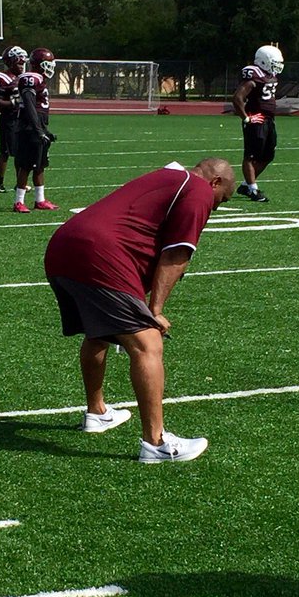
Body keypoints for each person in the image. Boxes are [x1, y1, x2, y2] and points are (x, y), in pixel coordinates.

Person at [44, 157, 236, 462]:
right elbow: (177, 254)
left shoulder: (168, 176)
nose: (216, 207)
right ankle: (156, 442)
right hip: (100, 253)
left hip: (63, 245)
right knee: (148, 343)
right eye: (221, 200)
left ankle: (97, 412)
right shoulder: (199, 189)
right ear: (216, 182)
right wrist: (155, 310)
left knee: (99, 332)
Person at [232, 44, 284, 203]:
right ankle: (253, 190)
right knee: (251, 155)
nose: (277, 66)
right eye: (274, 62)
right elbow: (237, 98)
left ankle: (246, 185)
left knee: (268, 155)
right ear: (263, 61)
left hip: (269, 119)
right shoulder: (254, 75)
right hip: (256, 118)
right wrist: (246, 118)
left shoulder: (269, 75)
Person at [13, 46, 59, 213]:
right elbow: (30, 105)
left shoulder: (40, 79)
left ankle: (40, 200)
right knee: (26, 165)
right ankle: (19, 201)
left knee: (40, 165)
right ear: (40, 64)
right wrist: (37, 129)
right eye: (48, 63)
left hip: (38, 125)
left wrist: (44, 130)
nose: (51, 66)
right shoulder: (31, 78)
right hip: (28, 127)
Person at [0, 45, 27, 193]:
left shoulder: (23, 78)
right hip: (9, 119)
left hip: (21, 119)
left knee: (21, 152)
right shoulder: (2, 78)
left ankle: (20, 183)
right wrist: (16, 103)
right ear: (10, 62)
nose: (22, 66)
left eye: (23, 63)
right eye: (19, 63)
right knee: (6, 152)